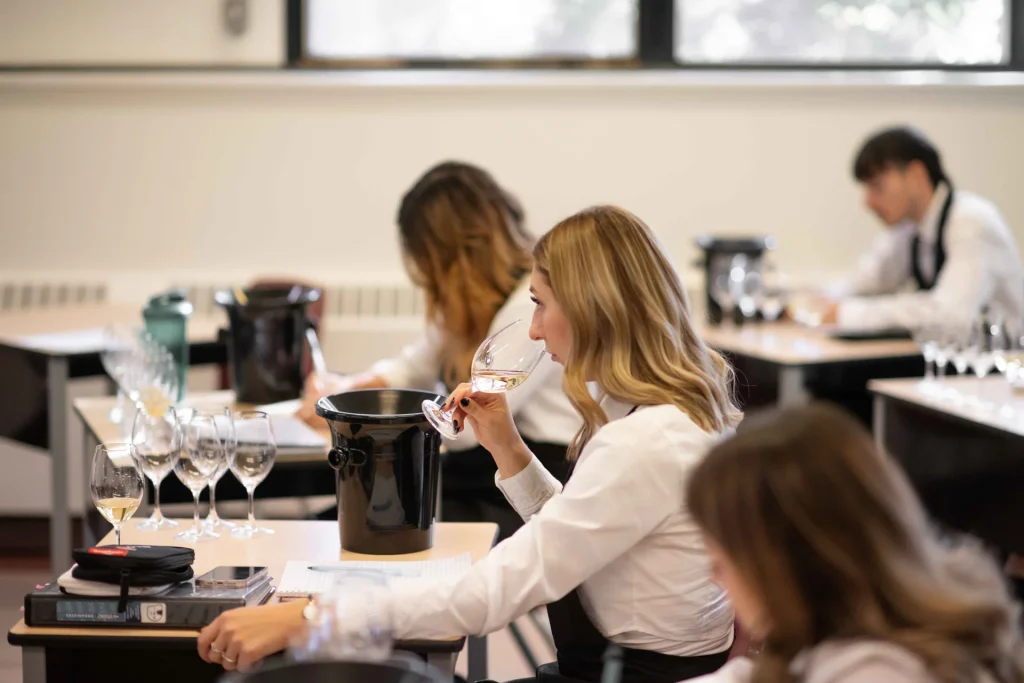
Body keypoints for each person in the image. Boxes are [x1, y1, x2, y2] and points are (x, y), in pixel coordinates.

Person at [198, 205, 742, 682]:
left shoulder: (644, 442)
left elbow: (492, 595)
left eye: (541, 305)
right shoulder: (666, 416)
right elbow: (588, 541)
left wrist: (308, 620)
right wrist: (509, 449)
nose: (533, 330)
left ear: (593, 308)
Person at [296, 161, 579, 541]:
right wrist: (343, 387)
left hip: (535, 473)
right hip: (487, 471)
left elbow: (466, 427)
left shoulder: (528, 307)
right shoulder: (470, 306)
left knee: (354, 525)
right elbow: (410, 366)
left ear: (444, 257)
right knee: (343, 521)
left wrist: (358, 412)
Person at [686, 402, 1024, 683]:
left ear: (786, 564)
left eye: (721, 562)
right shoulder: (846, 630)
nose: (714, 576)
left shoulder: (880, 672)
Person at [809, 125, 1024, 330]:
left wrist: (848, 314)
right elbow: (866, 280)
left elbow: (949, 316)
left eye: (877, 186)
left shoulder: (972, 222)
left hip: (1003, 363)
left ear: (916, 174)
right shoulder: (909, 230)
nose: (868, 203)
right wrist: (816, 301)